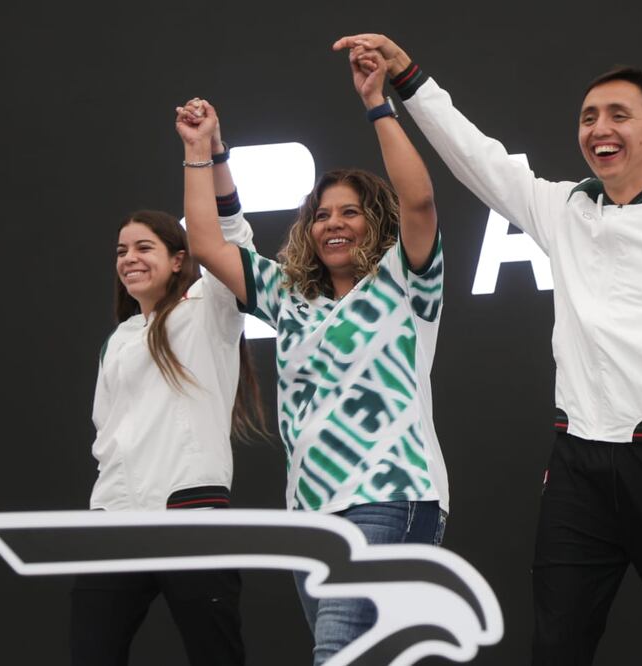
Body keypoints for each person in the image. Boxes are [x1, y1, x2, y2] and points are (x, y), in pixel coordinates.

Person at [332, 34, 642, 666]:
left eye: (619, 115)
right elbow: (475, 157)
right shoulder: (565, 207)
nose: (600, 129)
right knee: (556, 647)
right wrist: (407, 78)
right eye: (589, 118)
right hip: (577, 467)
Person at [175, 50, 448, 666]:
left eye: (349, 211)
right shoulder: (290, 299)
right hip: (310, 515)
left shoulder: (403, 284)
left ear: (374, 220)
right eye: (321, 214)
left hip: (392, 496)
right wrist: (201, 149)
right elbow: (208, 242)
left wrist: (378, 103)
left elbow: (421, 202)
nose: (333, 223)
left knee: (337, 653)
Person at [69, 113, 263, 665]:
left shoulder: (207, 309)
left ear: (179, 259)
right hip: (115, 521)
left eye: (144, 248)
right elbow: (105, 434)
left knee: (215, 655)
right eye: (121, 251)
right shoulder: (119, 339)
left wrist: (206, 153)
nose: (129, 259)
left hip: (190, 511)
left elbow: (232, 239)